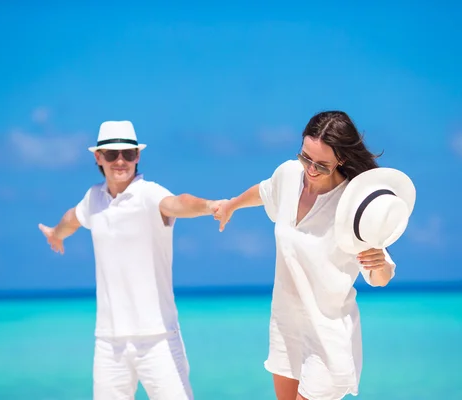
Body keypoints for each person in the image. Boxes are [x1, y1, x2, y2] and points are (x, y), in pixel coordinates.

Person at [213, 111, 404, 400]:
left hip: (328, 339)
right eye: (306, 158)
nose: (311, 169)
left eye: (322, 164)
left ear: (341, 158)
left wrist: (380, 264)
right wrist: (232, 205)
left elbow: (380, 277)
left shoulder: (353, 205)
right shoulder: (289, 174)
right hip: (285, 328)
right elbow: (266, 192)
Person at [38, 120, 219, 400]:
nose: (120, 161)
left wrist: (210, 206)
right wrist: (56, 234)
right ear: (98, 157)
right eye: (111, 154)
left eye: (128, 154)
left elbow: (178, 203)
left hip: (158, 338)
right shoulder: (93, 198)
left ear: (138, 156)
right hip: (109, 344)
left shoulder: (149, 194)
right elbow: (73, 218)